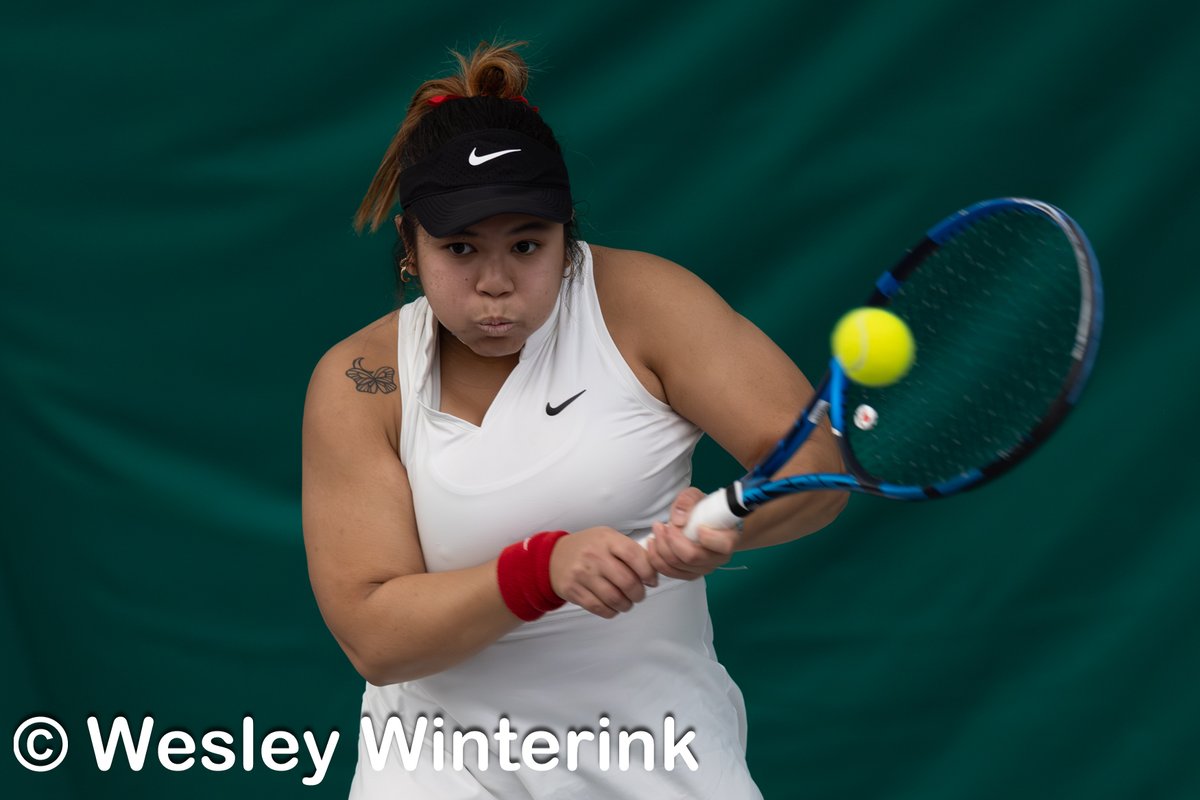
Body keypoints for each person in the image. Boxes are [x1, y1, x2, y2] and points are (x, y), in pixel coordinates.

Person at [302, 41, 846, 799]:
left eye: (527, 245)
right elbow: (375, 634)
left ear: (567, 237)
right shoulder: (362, 382)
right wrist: (544, 569)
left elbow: (815, 463)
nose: (496, 285)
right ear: (410, 247)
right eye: (460, 248)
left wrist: (732, 526)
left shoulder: (648, 306)